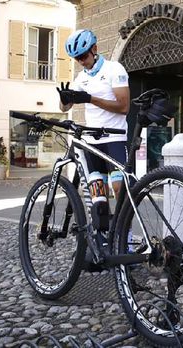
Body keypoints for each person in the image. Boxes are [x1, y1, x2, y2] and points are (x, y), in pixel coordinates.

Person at [57, 29, 130, 256]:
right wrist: (65, 98)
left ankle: (125, 240)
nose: (81, 62)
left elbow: (124, 106)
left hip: (114, 138)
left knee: (119, 188)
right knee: (98, 197)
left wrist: (90, 99)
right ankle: (103, 244)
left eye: (84, 57)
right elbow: (65, 108)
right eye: (77, 59)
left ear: (95, 49)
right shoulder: (81, 77)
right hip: (91, 143)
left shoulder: (114, 70)